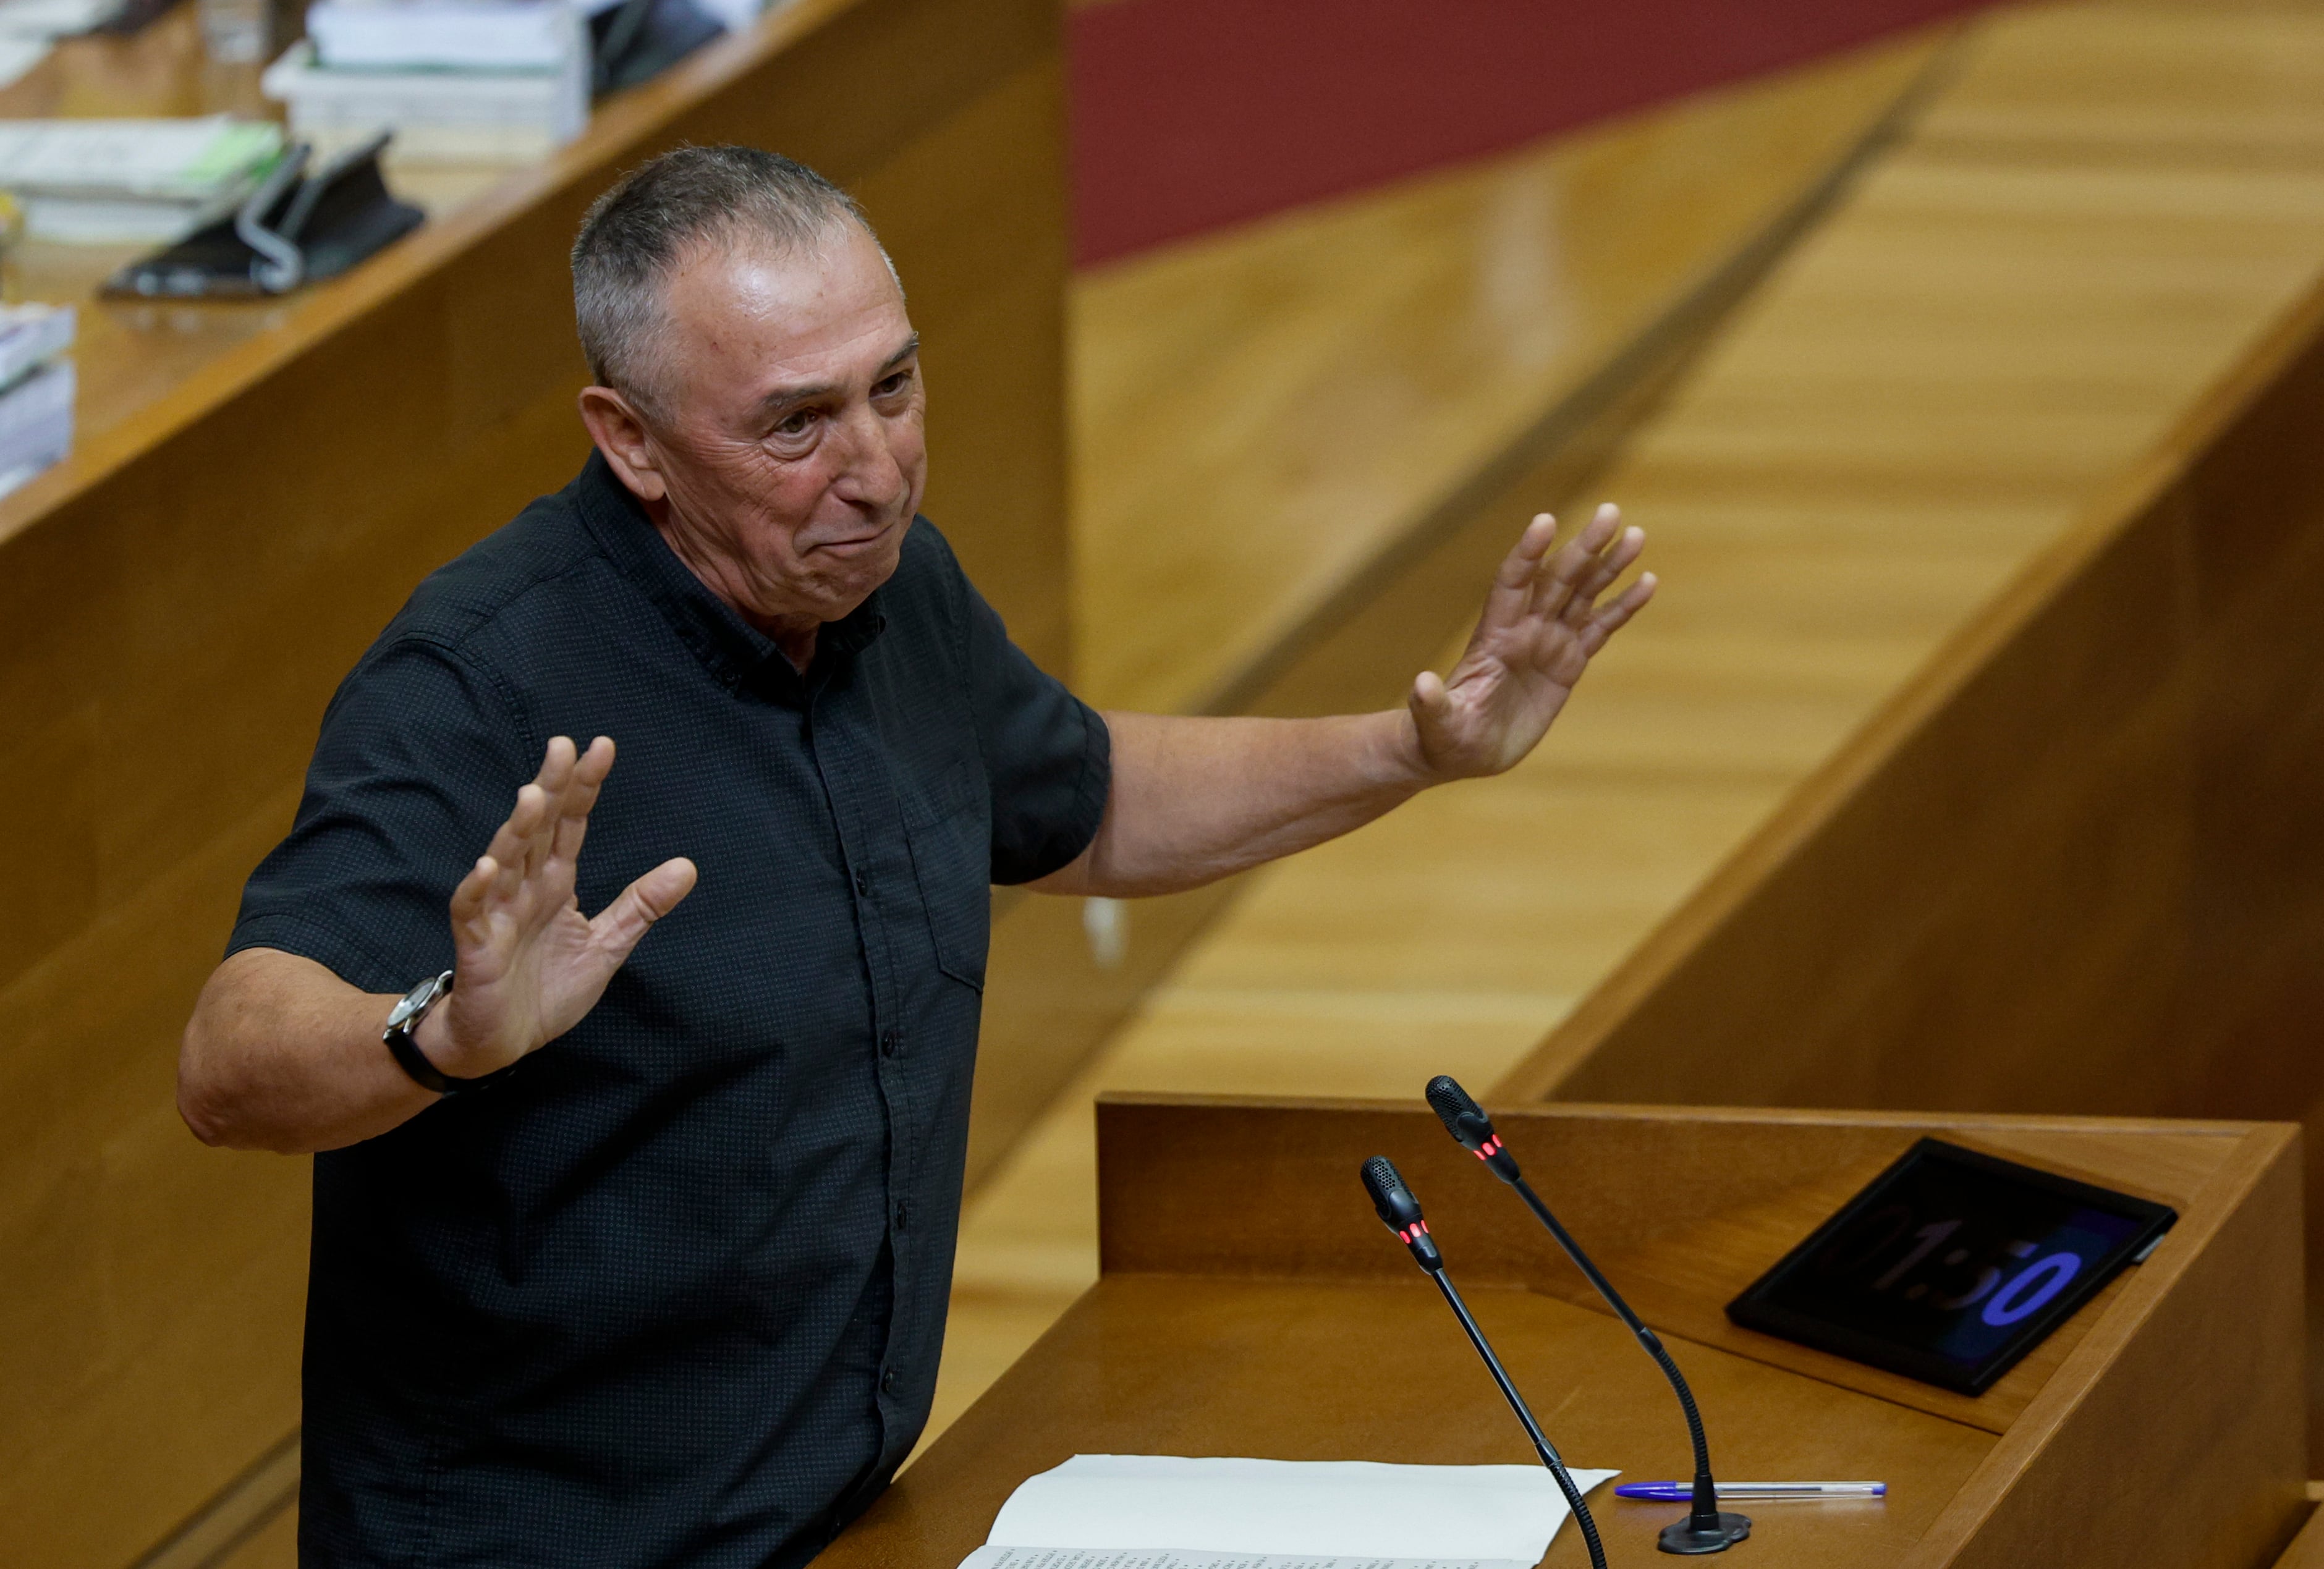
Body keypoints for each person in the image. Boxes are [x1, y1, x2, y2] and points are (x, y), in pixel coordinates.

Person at [176, 146, 1654, 1568]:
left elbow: (1088, 795)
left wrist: (1413, 748)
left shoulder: (886, 588)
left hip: (842, 1519)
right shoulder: (480, 683)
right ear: (628, 439)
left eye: (894, 386)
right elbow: (230, 1059)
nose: (876, 471)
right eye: (796, 424)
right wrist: (439, 1034)